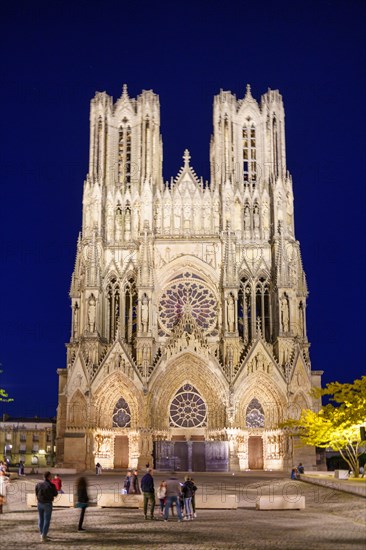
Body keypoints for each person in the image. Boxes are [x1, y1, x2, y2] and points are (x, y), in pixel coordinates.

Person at [35, 471, 58, 543]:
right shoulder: (51, 485)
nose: (51, 477)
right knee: (46, 520)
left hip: (39, 503)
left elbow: (36, 492)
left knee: (41, 519)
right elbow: (55, 494)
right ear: (48, 477)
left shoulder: (38, 484)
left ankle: (42, 533)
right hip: (47, 504)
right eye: (51, 476)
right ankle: (44, 536)